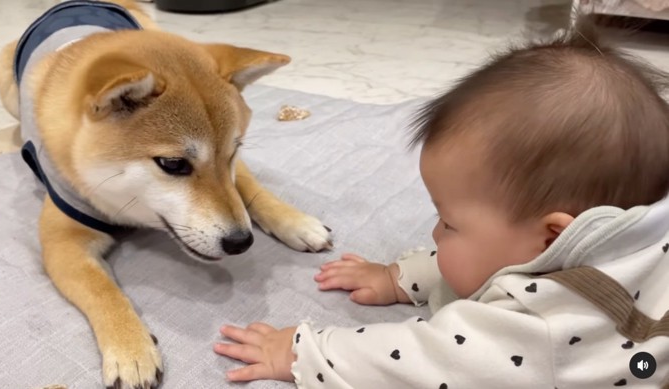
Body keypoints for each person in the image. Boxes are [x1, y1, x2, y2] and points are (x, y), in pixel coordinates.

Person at [214, 18, 669, 388]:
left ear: (554, 234)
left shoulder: (548, 323)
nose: (434, 232)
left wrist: (300, 350)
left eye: (448, 224)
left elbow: (430, 360)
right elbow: (504, 262)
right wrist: (400, 278)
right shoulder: (618, 229)